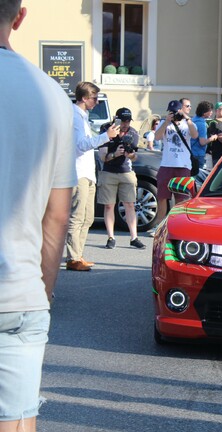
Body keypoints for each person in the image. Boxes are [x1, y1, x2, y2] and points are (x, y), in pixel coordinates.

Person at [0, 2, 76, 430]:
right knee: (18, 418)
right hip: (20, 291)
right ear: (20, 16)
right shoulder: (50, 94)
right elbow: (57, 215)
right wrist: (41, 293)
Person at [66, 82, 119, 271]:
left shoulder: (83, 116)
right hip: (79, 172)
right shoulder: (75, 116)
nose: (97, 102)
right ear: (84, 98)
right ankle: (73, 258)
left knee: (88, 217)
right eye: (94, 98)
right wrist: (106, 136)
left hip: (87, 173)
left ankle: (77, 255)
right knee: (78, 216)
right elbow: (81, 145)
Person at [97, 107, 145, 250]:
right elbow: (102, 157)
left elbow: (135, 156)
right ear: (116, 119)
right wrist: (116, 154)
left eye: (128, 121)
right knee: (109, 205)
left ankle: (134, 237)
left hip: (126, 172)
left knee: (130, 204)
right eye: (123, 121)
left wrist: (129, 155)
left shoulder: (133, 133)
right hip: (109, 172)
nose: (126, 124)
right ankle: (111, 237)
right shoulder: (107, 129)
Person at [151, 100, 199, 235]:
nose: (173, 114)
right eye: (171, 112)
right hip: (167, 164)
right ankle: (160, 225)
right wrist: (166, 122)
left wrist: (187, 119)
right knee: (162, 196)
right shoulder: (164, 123)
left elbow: (195, 135)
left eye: (175, 112)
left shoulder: (188, 123)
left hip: (183, 165)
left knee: (182, 198)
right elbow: (157, 137)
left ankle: (180, 225)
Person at [191, 101, 214, 169]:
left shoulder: (193, 120)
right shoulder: (201, 124)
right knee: (198, 176)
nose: (211, 112)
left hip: (191, 152)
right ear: (204, 112)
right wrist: (212, 138)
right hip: (198, 153)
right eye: (210, 111)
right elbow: (202, 142)